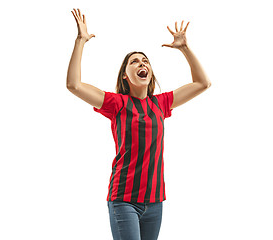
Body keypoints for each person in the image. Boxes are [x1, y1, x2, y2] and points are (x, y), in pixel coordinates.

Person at [67, 8, 212, 240]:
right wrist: (80, 41)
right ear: (125, 75)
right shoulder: (117, 103)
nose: (141, 63)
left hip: (155, 202)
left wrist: (184, 48)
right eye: (134, 62)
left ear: (150, 73)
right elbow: (74, 85)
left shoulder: (162, 103)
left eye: (145, 61)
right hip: (124, 200)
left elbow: (203, 83)